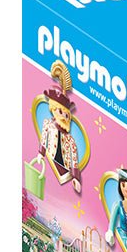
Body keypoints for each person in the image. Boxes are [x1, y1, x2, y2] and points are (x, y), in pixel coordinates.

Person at [38, 61, 82, 192]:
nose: (64, 117)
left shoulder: (70, 140)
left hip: (64, 171)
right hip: (51, 163)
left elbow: (74, 158)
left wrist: (76, 177)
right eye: (61, 112)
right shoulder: (48, 124)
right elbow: (44, 139)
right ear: (53, 109)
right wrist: (41, 153)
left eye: (67, 115)